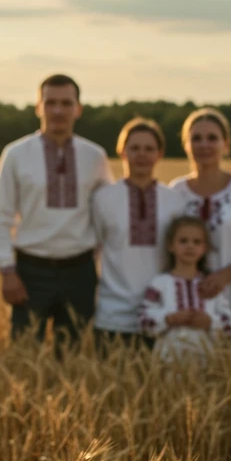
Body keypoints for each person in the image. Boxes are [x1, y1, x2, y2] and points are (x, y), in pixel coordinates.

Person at [0, 74, 114, 347]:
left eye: (66, 103)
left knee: (74, 357)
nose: (58, 110)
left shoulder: (95, 156)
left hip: (80, 270)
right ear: (38, 106)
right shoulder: (16, 153)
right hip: (30, 270)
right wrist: (8, 273)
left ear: (78, 108)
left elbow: (109, 214)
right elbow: (0, 217)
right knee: (24, 355)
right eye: (50, 102)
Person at [168, 107, 231, 364]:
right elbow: (167, 244)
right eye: (196, 138)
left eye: (212, 138)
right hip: (192, 298)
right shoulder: (176, 190)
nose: (204, 145)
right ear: (186, 145)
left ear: (226, 144)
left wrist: (224, 276)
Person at [92, 116, 187, 351]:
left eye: (149, 148)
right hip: (112, 313)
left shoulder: (175, 200)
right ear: (122, 152)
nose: (142, 154)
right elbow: (92, 250)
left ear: (159, 154)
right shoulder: (103, 198)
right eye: (134, 148)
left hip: (163, 313)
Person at [138, 216, 231, 362]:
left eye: (197, 242)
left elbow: (230, 326)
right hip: (169, 358)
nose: (190, 246)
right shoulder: (159, 283)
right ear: (171, 246)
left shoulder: (211, 285)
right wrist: (169, 319)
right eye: (183, 241)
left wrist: (210, 322)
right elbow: (143, 321)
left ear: (205, 248)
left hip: (206, 358)